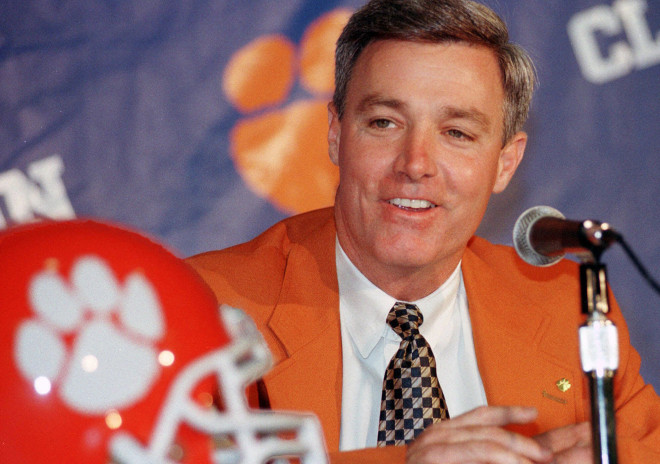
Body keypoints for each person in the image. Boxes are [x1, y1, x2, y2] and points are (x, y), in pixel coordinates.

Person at [187, 0, 660, 463]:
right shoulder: (202, 309)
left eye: (457, 133)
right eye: (384, 122)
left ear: (505, 163)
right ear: (335, 133)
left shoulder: (567, 308)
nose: (415, 164)